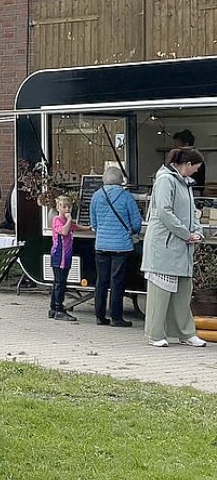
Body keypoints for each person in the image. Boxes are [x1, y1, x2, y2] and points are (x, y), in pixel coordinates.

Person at [143, 147, 207, 348]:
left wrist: (198, 231)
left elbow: (192, 212)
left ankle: (185, 332)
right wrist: (186, 234)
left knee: (183, 292)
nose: (196, 171)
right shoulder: (165, 180)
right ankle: (155, 333)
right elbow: (164, 211)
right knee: (160, 293)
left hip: (181, 246)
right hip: (164, 245)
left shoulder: (185, 183)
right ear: (187, 165)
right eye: (195, 167)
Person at [89, 166, 142, 327]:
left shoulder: (96, 196)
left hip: (101, 245)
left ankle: (99, 316)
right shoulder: (126, 197)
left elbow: (94, 223)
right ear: (120, 180)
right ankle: (116, 318)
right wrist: (132, 232)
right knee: (117, 281)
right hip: (121, 246)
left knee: (101, 281)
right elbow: (136, 223)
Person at [49, 195, 79, 322]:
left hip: (66, 255)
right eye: (64, 206)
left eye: (69, 206)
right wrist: (69, 220)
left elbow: (74, 227)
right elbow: (64, 231)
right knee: (60, 283)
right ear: (58, 207)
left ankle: (53, 308)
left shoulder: (68, 221)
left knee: (60, 282)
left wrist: (89, 228)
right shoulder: (57, 220)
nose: (67, 209)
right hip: (59, 256)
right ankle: (58, 308)